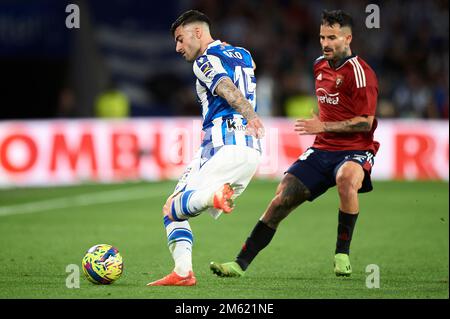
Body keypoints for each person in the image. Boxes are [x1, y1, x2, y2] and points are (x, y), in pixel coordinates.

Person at [210, 9, 379, 278]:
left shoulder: (360, 73)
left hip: (356, 150)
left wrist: (323, 125)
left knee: (347, 179)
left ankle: (342, 254)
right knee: (280, 200)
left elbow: (365, 122)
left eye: (332, 37)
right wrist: (224, 52)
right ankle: (239, 264)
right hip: (322, 149)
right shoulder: (318, 65)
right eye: (322, 36)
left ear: (348, 38)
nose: (325, 43)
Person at [147, 10, 265, 286]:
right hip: (250, 149)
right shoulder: (243, 53)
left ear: (197, 32)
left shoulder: (203, 60)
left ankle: (213, 196)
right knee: (171, 209)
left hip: (224, 143)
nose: (177, 47)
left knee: (175, 208)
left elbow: (225, 86)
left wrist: (250, 114)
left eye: (180, 39)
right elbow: (251, 68)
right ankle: (183, 272)